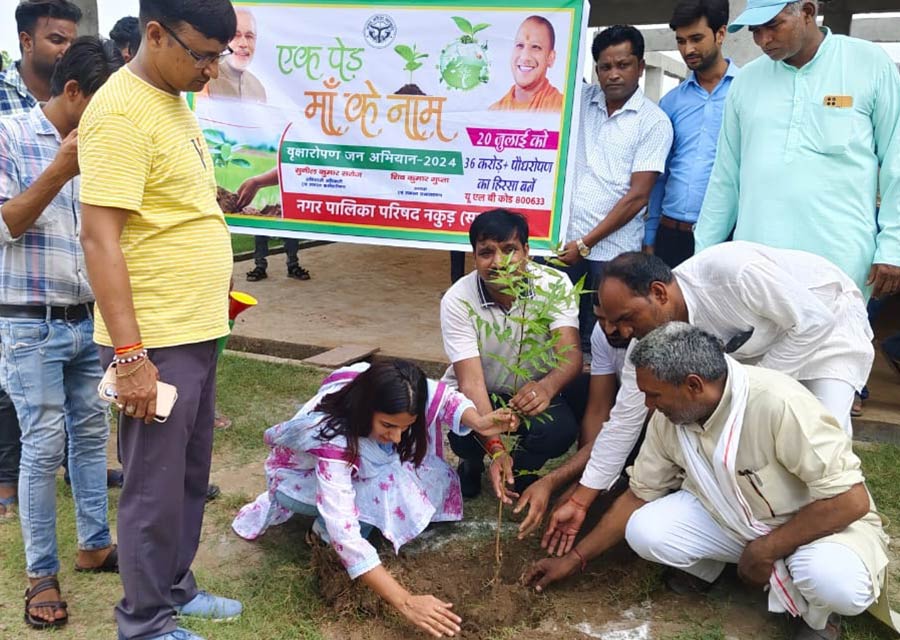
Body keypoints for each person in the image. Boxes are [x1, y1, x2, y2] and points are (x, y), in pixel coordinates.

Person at [526, 323, 891, 640]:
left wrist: (764, 550)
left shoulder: (777, 403)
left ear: (694, 385)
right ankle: (729, 570)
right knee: (647, 530)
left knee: (834, 582)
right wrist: (575, 558)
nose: (649, 406)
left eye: (654, 395)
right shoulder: (671, 418)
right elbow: (640, 495)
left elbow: (850, 501)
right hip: (737, 521)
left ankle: (822, 614)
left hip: (820, 529)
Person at [77, 1, 242, 639]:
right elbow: (100, 239)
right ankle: (145, 623)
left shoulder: (172, 100)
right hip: (155, 340)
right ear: (154, 34)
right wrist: (131, 356)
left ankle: (174, 586)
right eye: (202, 54)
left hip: (194, 329)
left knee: (190, 473)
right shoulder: (119, 112)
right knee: (152, 486)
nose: (210, 69)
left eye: (218, 56)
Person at [541, 243, 875, 555]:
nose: (623, 332)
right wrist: (584, 498)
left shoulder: (734, 275)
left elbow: (814, 320)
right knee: (735, 445)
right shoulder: (645, 345)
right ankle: (742, 538)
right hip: (764, 344)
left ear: (658, 293)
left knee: (823, 433)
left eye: (627, 318)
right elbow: (624, 421)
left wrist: (754, 392)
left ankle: (833, 550)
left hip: (829, 326)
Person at [233, 358, 516, 638]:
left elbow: (447, 400)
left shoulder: (401, 388)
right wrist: (406, 601)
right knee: (378, 491)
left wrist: (480, 422)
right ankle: (322, 536)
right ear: (366, 409)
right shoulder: (334, 438)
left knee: (429, 479)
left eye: (405, 428)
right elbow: (345, 529)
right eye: (389, 426)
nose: (396, 438)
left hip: (356, 462)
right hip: (299, 481)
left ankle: (365, 522)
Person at [0, 35, 122, 631]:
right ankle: (40, 573)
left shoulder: (104, 142)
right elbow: (6, 224)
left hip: (86, 319)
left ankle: (95, 544)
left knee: (92, 438)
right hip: (28, 324)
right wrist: (59, 168)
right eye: (100, 103)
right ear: (72, 92)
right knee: (43, 449)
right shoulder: (9, 135)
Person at [694, 0, 900, 300]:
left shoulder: (867, 63)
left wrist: (893, 245)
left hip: (840, 265)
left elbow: (896, 159)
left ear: (806, 12)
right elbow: (725, 176)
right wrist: (703, 256)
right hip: (756, 267)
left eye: (774, 26)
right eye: (756, 30)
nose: (764, 40)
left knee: (836, 347)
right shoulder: (747, 82)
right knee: (754, 347)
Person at [0, 0, 81, 519]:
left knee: (76, 405)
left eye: (72, 40)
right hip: (15, 278)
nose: (66, 49)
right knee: (16, 391)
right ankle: (8, 479)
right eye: (56, 39)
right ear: (26, 42)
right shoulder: (7, 110)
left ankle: (77, 470)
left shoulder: (80, 106)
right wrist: (58, 166)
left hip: (63, 271)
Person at [440, 209, 585, 499]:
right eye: (486, 252)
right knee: (463, 433)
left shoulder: (553, 285)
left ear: (527, 251)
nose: (498, 263)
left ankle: (519, 469)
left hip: (531, 391)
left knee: (560, 430)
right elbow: (471, 384)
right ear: (474, 256)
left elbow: (571, 356)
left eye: (509, 250)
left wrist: (546, 387)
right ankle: (473, 463)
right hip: (484, 391)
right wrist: (495, 448)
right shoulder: (457, 299)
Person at [558, 25, 672, 353]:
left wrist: (585, 243)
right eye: (605, 67)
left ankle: (595, 402)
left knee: (602, 337)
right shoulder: (580, 102)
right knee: (557, 330)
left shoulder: (653, 122)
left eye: (623, 65)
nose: (614, 75)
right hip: (564, 241)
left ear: (640, 66)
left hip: (610, 252)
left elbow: (638, 196)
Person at [511, 290, 632, 539]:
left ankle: (622, 481)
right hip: (624, 406)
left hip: (646, 416)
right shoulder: (604, 334)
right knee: (578, 389)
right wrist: (583, 476)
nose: (609, 329)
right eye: (600, 319)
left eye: (618, 320)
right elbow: (598, 407)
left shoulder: (648, 340)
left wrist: (578, 490)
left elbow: (623, 426)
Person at [644, 0, 737, 268]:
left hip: (725, 237)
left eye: (696, 38)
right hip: (671, 234)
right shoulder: (671, 102)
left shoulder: (745, 92)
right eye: (681, 41)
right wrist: (651, 235)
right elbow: (660, 175)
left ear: (720, 34)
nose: (688, 49)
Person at [489, 15, 563, 112]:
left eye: (535, 47)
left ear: (551, 58)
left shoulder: (563, 108)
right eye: (520, 45)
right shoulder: (494, 111)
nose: (524, 57)